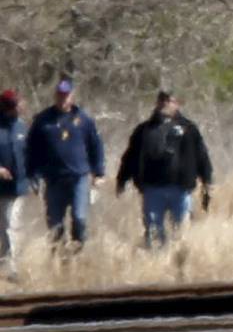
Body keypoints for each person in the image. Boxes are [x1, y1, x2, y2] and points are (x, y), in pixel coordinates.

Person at [117, 90, 215, 247]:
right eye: (161, 100)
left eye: (169, 100)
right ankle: (156, 264)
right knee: (154, 232)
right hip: (153, 189)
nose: (165, 103)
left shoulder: (189, 128)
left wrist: (207, 181)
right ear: (157, 103)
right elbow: (130, 156)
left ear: (176, 104)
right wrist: (122, 179)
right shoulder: (144, 130)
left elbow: (201, 155)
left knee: (181, 232)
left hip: (181, 188)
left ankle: (178, 263)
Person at [26, 78, 105, 250]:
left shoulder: (84, 119)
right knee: (55, 223)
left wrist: (99, 173)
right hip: (54, 180)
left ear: (72, 96)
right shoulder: (43, 120)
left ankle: (78, 250)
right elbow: (32, 149)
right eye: (60, 95)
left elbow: (96, 146)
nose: (63, 99)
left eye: (66, 95)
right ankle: (59, 257)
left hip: (79, 178)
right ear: (55, 96)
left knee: (79, 217)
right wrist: (32, 174)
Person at [0, 90, 32, 271]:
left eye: (19, 104)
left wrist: (34, 177)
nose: (19, 108)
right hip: (1, 188)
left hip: (19, 187)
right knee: (5, 226)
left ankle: (11, 267)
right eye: (14, 105)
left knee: (12, 225)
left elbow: (30, 154)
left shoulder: (22, 127)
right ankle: (6, 262)